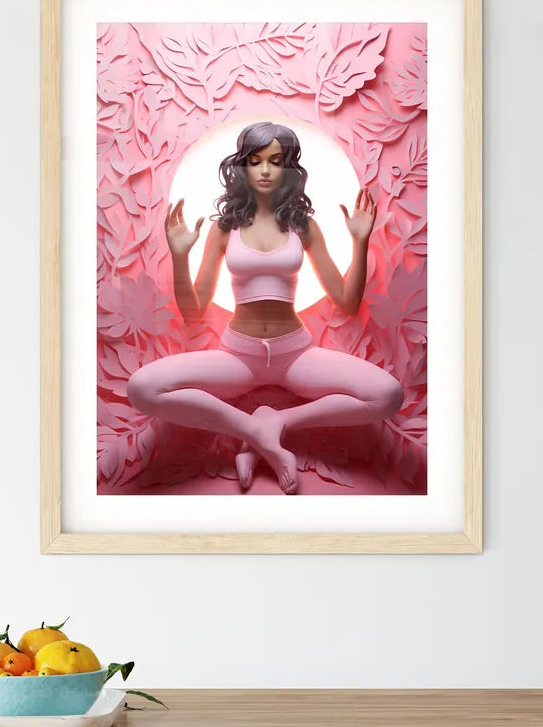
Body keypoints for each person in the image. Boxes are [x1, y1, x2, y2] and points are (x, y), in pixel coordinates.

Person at [126, 121, 404, 494]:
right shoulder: (224, 228)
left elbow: (347, 301)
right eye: (256, 160)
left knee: (387, 395)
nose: (266, 169)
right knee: (142, 387)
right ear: (242, 165)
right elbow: (194, 312)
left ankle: (279, 422)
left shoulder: (303, 226)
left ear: (289, 167)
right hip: (238, 355)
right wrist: (180, 257)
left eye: (276, 160)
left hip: (295, 354)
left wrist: (360, 242)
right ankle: (253, 428)